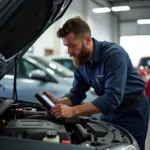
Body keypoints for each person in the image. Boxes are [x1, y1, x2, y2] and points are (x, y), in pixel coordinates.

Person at [44, 16, 149, 150]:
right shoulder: (80, 60)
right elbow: (77, 93)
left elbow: (112, 98)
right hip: (108, 111)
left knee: (131, 148)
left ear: (87, 40)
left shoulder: (114, 55)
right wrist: (60, 103)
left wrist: (73, 111)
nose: (69, 52)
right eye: (66, 46)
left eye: (72, 45)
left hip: (133, 111)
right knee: (103, 146)